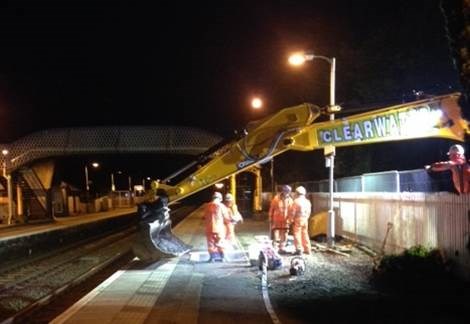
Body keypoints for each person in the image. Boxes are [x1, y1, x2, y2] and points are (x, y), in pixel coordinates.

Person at [204, 191, 229, 262]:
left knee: (210, 243)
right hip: (219, 228)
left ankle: (212, 258)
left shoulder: (207, 206)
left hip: (209, 228)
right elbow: (226, 218)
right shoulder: (221, 206)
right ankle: (223, 257)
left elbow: (205, 216)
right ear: (220, 198)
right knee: (221, 242)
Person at [269, 185, 293, 253]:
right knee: (275, 235)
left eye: (288, 192)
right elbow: (272, 209)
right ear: (283, 191)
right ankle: (274, 248)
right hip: (276, 220)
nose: (286, 193)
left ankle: (282, 248)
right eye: (285, 191)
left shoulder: (290, 200)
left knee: (284, 235)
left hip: (286, 221)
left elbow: (291, 211)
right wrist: (270, 218)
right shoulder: (276, 199)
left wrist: (290, 220)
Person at [289, 186, 312, 255]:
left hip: (298, 220)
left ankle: (299, 249)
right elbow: (309, 212)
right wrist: (306, 218)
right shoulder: (307, 202)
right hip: (305, 219)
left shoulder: (296, 202)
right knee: (305, 234)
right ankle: (307, 249)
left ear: (297, 193)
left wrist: (290, 220)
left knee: (297, 234)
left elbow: (292, 212)